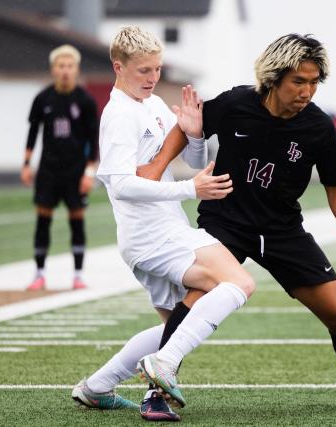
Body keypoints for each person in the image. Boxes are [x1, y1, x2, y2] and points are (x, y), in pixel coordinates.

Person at [140, 33, 336, 411]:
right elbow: (188, 126)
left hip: (282, 229)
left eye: (314, 82)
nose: (307, 91)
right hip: (226, 221)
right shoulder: (236, 103)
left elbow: (335, 187)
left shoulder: (319, 127)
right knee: (199, 298)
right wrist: (157, 167)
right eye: (298, 81)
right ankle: (156, 392)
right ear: (274, 77)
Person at [70, 26, 255, 422]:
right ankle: (163, 364)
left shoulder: (151, 104)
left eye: (157, 69)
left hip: (157, 233)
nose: (153, 78)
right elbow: (121, 185)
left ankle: (97, 387)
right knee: (239, 283)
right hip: (153, 235)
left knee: (177, 322)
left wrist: (195, 135)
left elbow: (188, 161)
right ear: (118, 67)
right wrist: (191, 190)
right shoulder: (118, 115)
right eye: (143, 71)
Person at [21, 45, 99, 291]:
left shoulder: (85, 101)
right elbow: (33, 132)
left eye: (69, 66)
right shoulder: (43, 98)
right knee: (43, 219)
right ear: (53, 69)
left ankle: (78, 275)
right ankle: (39, 274)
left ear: (76, 70)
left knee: (76, 220)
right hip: (48, 171)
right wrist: (26, 163)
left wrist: (89, 172)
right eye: (61, 66)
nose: (65, 71)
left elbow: (93, 139)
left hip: (76, 172)